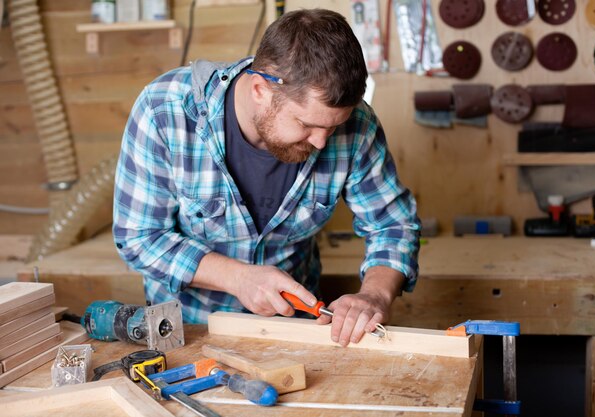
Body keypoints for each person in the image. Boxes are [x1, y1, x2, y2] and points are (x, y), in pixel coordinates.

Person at [113, 8, 420, 347]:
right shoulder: (165, 111)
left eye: (332, 128)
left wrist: (375, 295)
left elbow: (392, 225)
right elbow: (140, 238)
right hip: (189, 332)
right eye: (306, 125)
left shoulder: (357, 125)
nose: (321, 142)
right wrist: (238, 278)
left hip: (296, 332)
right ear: (260, 89)